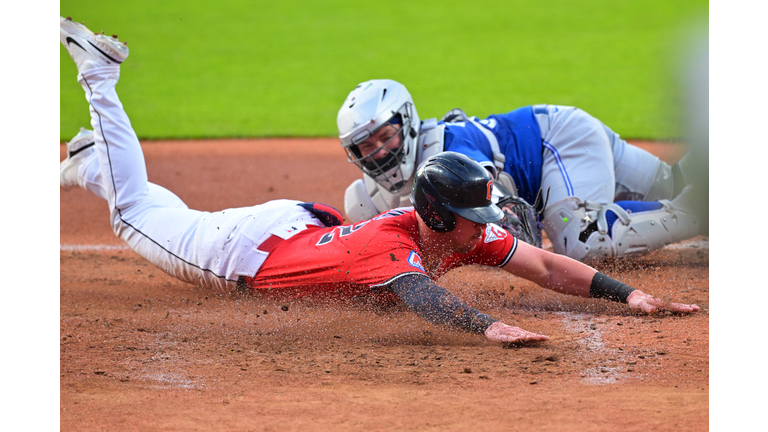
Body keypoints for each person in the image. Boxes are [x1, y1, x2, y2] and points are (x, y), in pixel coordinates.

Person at [59, 17, 699, 345]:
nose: (483, 233)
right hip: (238, 252)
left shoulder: (454, 225)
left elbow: (550, 267)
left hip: (293, 231)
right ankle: (99, 84)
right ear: (441, 214)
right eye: (472, 222)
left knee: (159, 215)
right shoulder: (389, 247)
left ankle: (93, 161)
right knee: (134, 212)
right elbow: (425, 300)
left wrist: (631, 296)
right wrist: (488, 327)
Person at [337, 80, 707, 262]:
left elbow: (518, 231)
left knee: (582, 240)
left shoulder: (449, 151)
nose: (380, 151)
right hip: (560, 128)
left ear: (408, 124)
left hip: (560, 142)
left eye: (385, 137)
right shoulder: (370, 198)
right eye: (366, 146)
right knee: (672, 185)